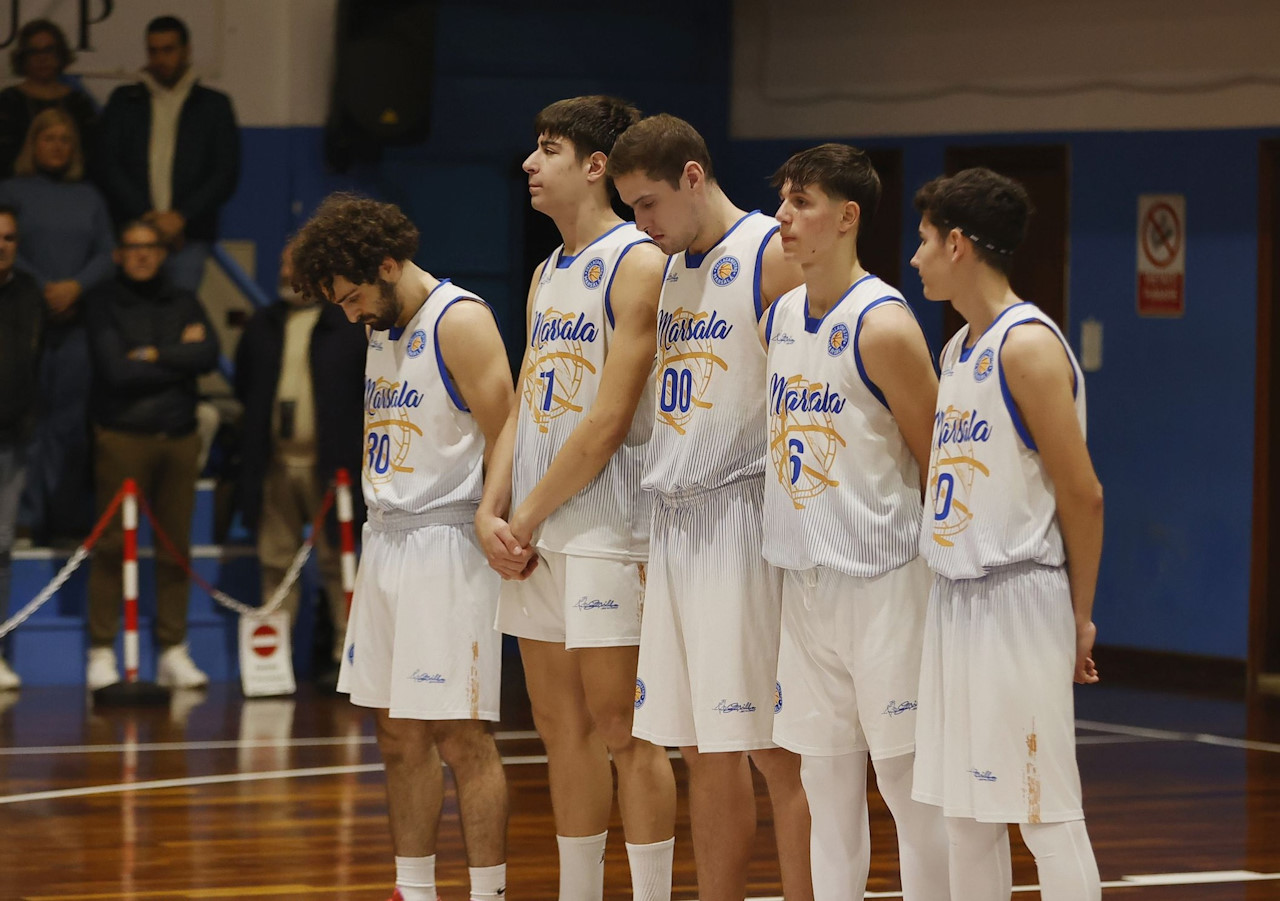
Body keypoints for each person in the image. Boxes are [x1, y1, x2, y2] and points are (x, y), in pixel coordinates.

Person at [607, 113, 812, 901]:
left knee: (774, 750)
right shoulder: (670, 268)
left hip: (742, 519)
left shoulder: (769, 254)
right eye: (630, 207)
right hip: (677, 522)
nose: (640, 222)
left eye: (648, 203)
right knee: (701, 748)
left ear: (693, 177)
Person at [478, 95, 676, 901]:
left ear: (596, 166)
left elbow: (607, 422)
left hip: (608, 530)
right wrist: (491, 509)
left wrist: (521, 518)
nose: (530, 163)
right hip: (537, 530)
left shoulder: (638, 261)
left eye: (549, 148)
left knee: (625, 730)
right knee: (559, 729)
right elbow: (525, 401)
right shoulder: (545, 271)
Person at [292, 193, 512, 901]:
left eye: (353, 297)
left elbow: (510, 427)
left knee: (461, 736)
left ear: (387, 264)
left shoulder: (461, 319)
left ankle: (487, 893)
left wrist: (492, 512)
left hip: (447, 542)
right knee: (395, 733)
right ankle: (412, 889)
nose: (350, 313)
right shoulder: (380, 326)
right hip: (387, 540)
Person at [760, 144, 949, 900]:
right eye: (782, 199)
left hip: (884, 584)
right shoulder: (779, 317)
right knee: (826, 789)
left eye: (801, 201)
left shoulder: (884, 325)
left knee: (906, 786)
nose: (783, 216)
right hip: (803, 583)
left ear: (847, 217)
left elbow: (939, 460)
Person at [910, 167, 1103, 900]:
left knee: (1044, 815)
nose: (916, 257)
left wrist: (1080, 617)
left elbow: (1084, 495)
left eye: (925, 240)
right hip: (955, 598)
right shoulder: (957, 348)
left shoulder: (1027, 347)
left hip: (1020, 595)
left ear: (957, 244)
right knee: (966, 817)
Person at [83, 219, 219, 691]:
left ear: (163, 254)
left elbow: (208, 355)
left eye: (151, 247)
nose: (142, 255)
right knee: (110, 547)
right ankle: (102, 649)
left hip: (179, 436)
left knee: (175, 548)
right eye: (132, 247)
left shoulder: (183, 299)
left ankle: (172, 648)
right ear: (118, 254)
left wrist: (149, 354)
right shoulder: (102, 301)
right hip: (122, 436)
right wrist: (176, 353)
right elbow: (115, 371)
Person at [234, 243, 366, 683]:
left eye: (297, 262)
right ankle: (274, 664)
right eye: (284, 262)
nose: (287, 270)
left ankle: (346, 655)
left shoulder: (346, 323)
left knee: (337, 562)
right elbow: (244, 386)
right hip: (274, 464)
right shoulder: (263, 324)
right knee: (275, 562)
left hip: (332, 468)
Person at [0, 107, 114, 545]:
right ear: (33, 143)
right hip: (23, 321)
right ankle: (25, 518)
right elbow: (8, 247)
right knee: (29, 424)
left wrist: (75, 288)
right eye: (49, 138)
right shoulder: (12, 191)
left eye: (65, 139)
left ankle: (64, 520)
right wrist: (47, 290)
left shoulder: (90, 196)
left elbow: (107, 253)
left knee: (70, 427)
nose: (57, 146)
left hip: (77, 325)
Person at [97, 15, 239, 294]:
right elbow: (107, 165)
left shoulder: (214, 106)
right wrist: (148, 217)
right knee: (129, 311)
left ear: (186, 51)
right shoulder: (124, 102)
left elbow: (225, 173)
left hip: (188, 237)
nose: (160, 59)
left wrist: (181, 217)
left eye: (168, 50)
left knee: (180, 312)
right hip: (133, 234)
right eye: (153, 51)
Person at [0, 205, 44, 689]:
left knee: (1, 546)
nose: (1, 245)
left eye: (9, 237)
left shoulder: (30, 293)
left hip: (10, 440)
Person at [0, 19, 97, 179]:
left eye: (49, 50)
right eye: (34, 52)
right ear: (23, 57)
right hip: (17, 185)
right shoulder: (8, 101)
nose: (42, 58)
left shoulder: (78, 102)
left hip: (72, 186)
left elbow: (92, 154)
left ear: (60, 54)